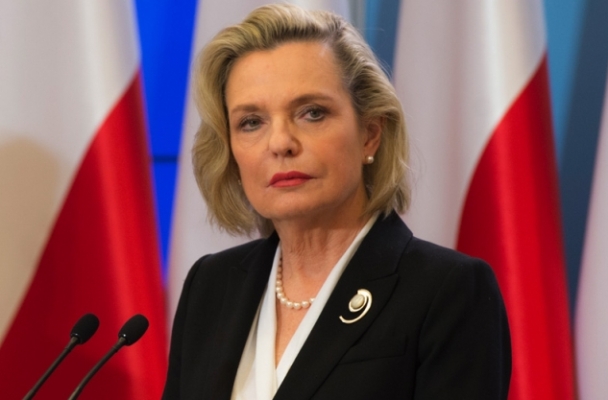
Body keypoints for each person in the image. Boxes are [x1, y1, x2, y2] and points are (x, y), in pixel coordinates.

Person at [163, 4, 511, 399]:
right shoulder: (211, 286)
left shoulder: (447, 292)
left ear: (370, 134)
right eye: (251, 122)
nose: (280, 143)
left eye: (311, 113)